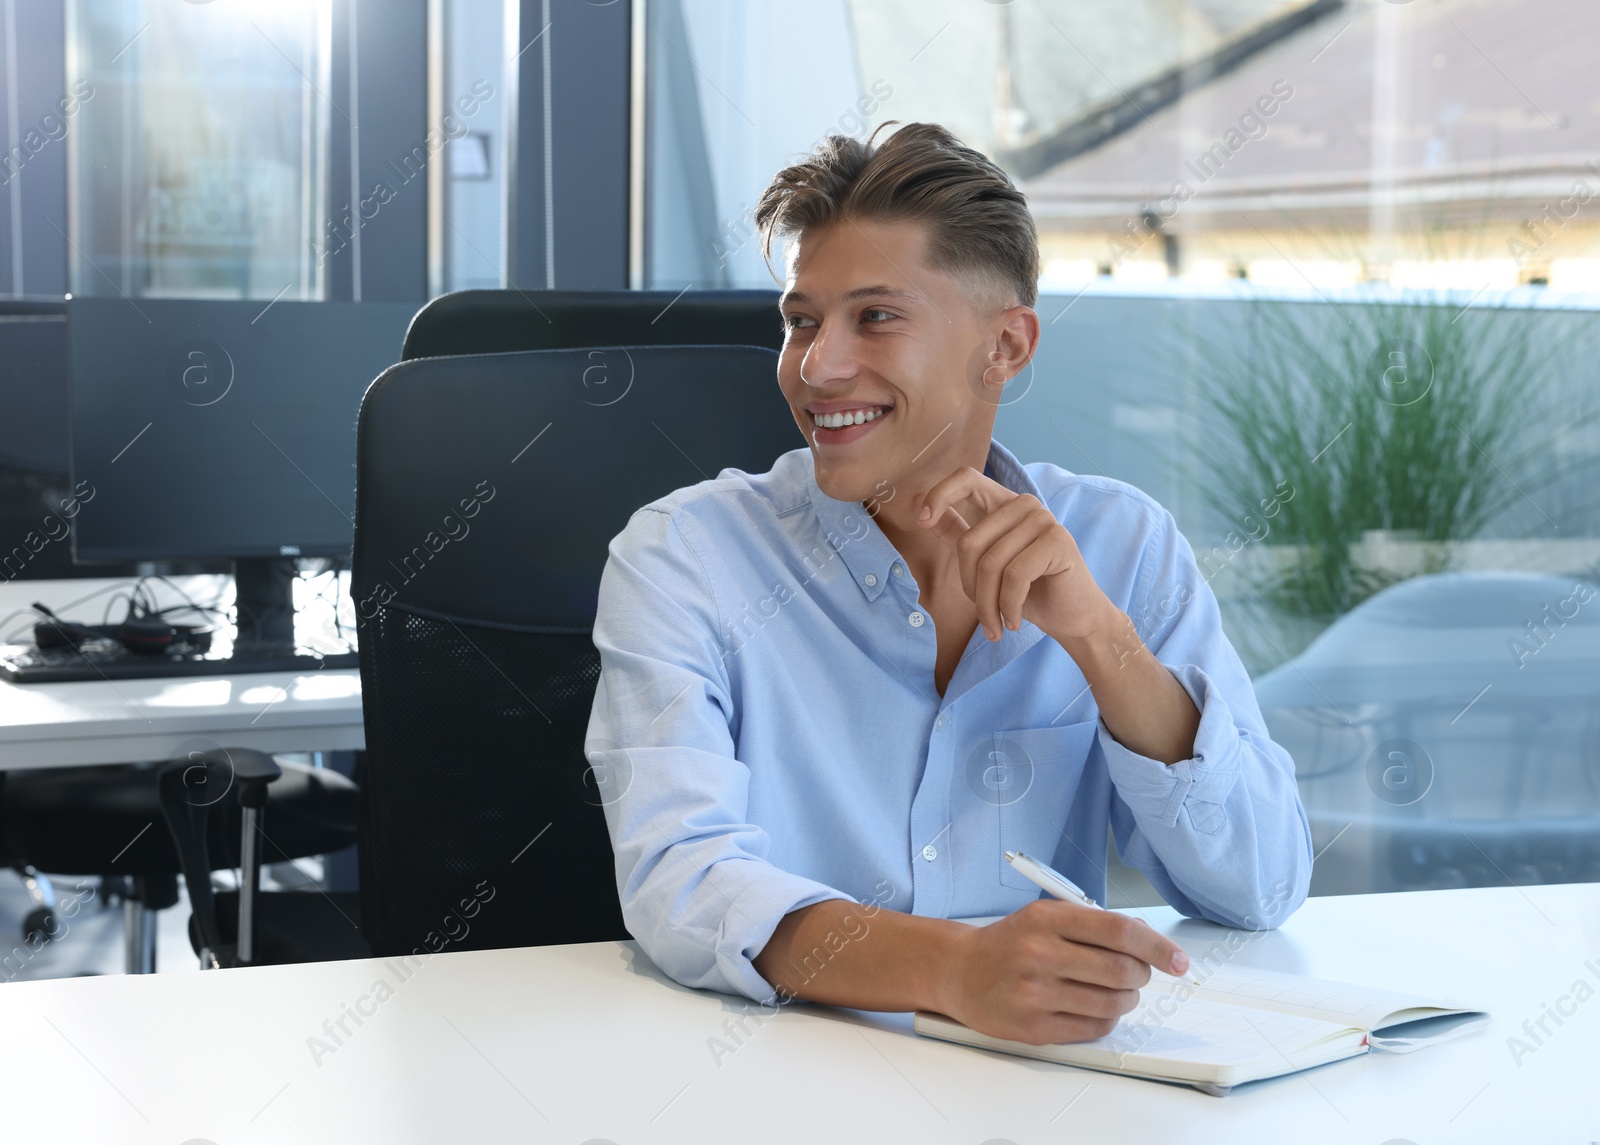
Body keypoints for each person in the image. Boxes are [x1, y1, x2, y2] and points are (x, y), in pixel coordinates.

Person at [584, 121, 1312, 1046]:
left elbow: (1263, 888)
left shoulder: (1124, 545)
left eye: (874, 316)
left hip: (1044, 1096)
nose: (816, 366)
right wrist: (954, 970)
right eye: (801, 320)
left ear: (1004, 348)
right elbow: (680, 880)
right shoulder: (687, 555)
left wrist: (1099, 638)